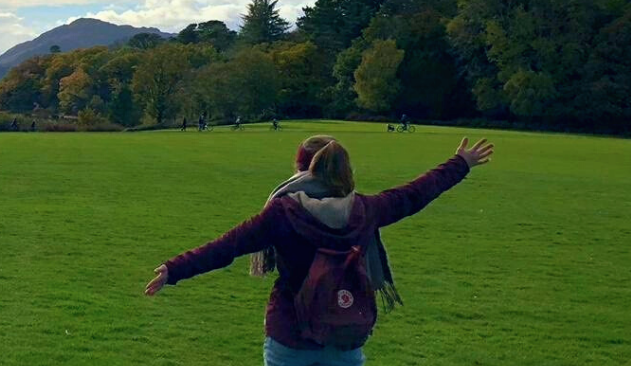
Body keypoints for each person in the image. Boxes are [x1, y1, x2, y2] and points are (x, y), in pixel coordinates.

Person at [145, 137, 495, 366]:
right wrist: (459, 162)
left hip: (290, 336)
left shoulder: (283, 212)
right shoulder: (365, 209)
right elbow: (416, 193)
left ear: (300, 169)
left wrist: (174, 269)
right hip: (346, 332)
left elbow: (228, 246)